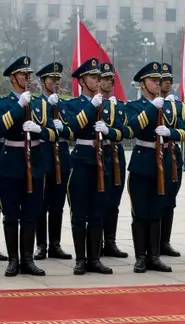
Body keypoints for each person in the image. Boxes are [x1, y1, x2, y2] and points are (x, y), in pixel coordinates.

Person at [126, 62, 185, 273]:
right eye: (153, 80)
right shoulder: (134, 106)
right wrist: (151, 108)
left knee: (156, 212)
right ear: (142, 84)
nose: (157, 84)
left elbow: (184, 132)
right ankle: (140, 257)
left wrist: (170, 133)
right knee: (141, 214)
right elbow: (132, 128)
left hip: (164, 161)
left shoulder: (170, 107)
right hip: (143, 161)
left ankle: (154, 256)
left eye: (159, 81)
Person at [62, 57, 122, 275]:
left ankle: (94, 258)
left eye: (98, 77)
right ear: (81, 81)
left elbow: (120, 132)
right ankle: (80, 259)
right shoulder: (72, 104)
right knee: (79, 214)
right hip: (81, 159)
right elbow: (71, 130)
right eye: (92, 77)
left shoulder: (109, 106)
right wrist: (90, 108)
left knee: (98, 213)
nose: (97, 81)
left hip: (102, 159)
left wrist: (108, 131)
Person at [0, 56, 58, 277]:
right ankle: (13, 260)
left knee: (31, 214)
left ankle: (27, 259)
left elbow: (54, 134)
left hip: (35, 162)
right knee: (11, 215)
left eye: (29, 74)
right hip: (10, 162)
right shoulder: (4, 103)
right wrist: (18, 106)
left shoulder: (41, 104)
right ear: (13, 78)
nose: (28, 78)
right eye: (23, 74)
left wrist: (38, 130)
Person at [33, 62, 73, 261]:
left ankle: (55, 244)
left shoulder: (64, 105)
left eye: (58, 79)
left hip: (62, 154)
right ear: (43, 81)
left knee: (58, 202)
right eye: (52, 79)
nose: (56, 83)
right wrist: (49, 109)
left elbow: (73, 130)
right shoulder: (35, 104)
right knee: (41, 202)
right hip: (43, 153)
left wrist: (63, 127)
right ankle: (41, 244)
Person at [98, 62, 131, 258]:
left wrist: (111, 132)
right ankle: (97, 241)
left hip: (116, 154)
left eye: (112, 79)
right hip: (99, 153)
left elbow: (127, 131)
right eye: (105, 79)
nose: (110, 82)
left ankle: (110, 241)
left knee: (114, 201)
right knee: (99, 200)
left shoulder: (120, 106)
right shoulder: (93, 104)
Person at [159, 62, 185, 257]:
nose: (167, 84)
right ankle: (151, 242)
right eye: (163, 80)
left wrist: (173, 132)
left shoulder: (176, 106)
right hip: (153, 154)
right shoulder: (148, 105)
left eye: (169, 80)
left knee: (170, 200)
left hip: (171, 154)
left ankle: (165, 241)